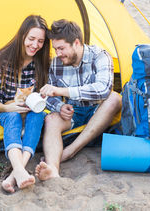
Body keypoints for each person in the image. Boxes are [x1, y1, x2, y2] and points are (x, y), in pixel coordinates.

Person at [35, 19, 122, 181]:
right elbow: (49, 96)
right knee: (51, 119)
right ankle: (53, 169)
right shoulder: (57, 64)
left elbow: (103, 89)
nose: (58, 53)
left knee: (115, 98)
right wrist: (60, 106)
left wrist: (63, 91)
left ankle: (70, 151)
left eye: (61, 48)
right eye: (55, 49)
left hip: (98, 110)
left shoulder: (100, 56)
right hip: (74, 112)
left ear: (76, 43)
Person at [0, 15, 50, 193]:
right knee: (13, 116)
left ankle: (15, 174)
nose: (35, 45)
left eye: (40, 41)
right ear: (22, 36)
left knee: (38, 115)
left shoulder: (41, 61)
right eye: (31, 39)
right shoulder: (1, 58)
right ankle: (20, 171)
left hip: (28, 111)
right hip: (5, 110)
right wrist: (8, 107)